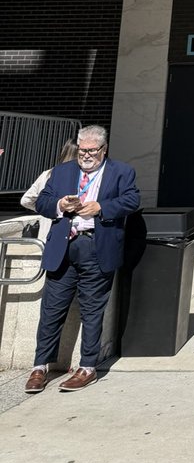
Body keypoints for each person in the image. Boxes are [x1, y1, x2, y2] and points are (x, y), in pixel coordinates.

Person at [24, 124, 140, 394]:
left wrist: (102, 207)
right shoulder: (62, 172)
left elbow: (131, 200)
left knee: (92, 311)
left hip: (96, 247)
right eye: (82, 151)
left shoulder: (121, 172)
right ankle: (39, 367)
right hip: (63, 247)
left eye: (92, 151)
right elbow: (41, 201)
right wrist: (60, 205)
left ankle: (87, 367)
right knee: (51, 311)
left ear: (104, 149)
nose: (86, 155)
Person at [20, 139, 79, 212]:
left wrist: (46, 209)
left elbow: (26, 200)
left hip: (49, 220)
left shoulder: (47, 174)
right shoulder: (82, 176)